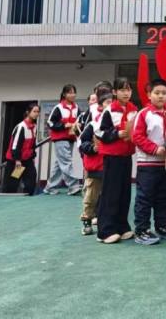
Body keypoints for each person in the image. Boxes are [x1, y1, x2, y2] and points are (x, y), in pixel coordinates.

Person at [132, 79, 166, 245]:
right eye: (157, 93)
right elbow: (137, 137)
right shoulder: (144, 114)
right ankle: (141, 230)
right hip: (147, 163)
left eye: (164, 93)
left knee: (163, 196)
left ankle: (162, 226)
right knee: (144, 197)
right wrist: (154, 149)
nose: (160, 96)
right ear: (149, 95)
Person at [95, 77, 137, 244]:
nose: (126, 93)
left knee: (124, 193)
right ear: (114, 92)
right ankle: (105, 230)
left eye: (128, 89)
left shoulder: (134, 110)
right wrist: (116, 134)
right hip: (112, 157)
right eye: (122, 90)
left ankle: (122, 226)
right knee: (110, 193)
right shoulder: (109, 110)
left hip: (127, 155)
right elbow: (99, 132)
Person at [78, 90, 108, 236]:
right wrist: (92, 148)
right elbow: (82, 144)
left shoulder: (115, 124)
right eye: (107, 103)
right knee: (91, 196)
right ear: (100, 106)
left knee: (107, 197)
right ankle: (87, 221)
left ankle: (104, 222)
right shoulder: (93, 124)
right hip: (95, 168)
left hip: (110, 167)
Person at [44, 84, 82, 196]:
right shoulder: (58, 107)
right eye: (70, 92)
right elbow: (50, 122)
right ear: (64, 94)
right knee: (66, 161)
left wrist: (79, 124)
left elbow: (81, 120)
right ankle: (73, 186)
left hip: (71, 138)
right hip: (60, 138)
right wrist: (64, 125)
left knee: (60, 163)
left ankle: (50, 187)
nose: (72, 95)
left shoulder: (76, 107)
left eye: (74, 92)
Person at [3, 103, 39, 195]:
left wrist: (32, 156)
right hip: (16, 161)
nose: (36, 113)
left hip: (27, 160)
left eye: (38, 111)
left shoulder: (34, 127)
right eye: (34, 111)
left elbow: (32, 144)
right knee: (12, 184)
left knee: (31, 181)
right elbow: (15, 145)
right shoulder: (21, 127)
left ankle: (28, 199)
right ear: (28, 112)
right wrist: (17, 160)